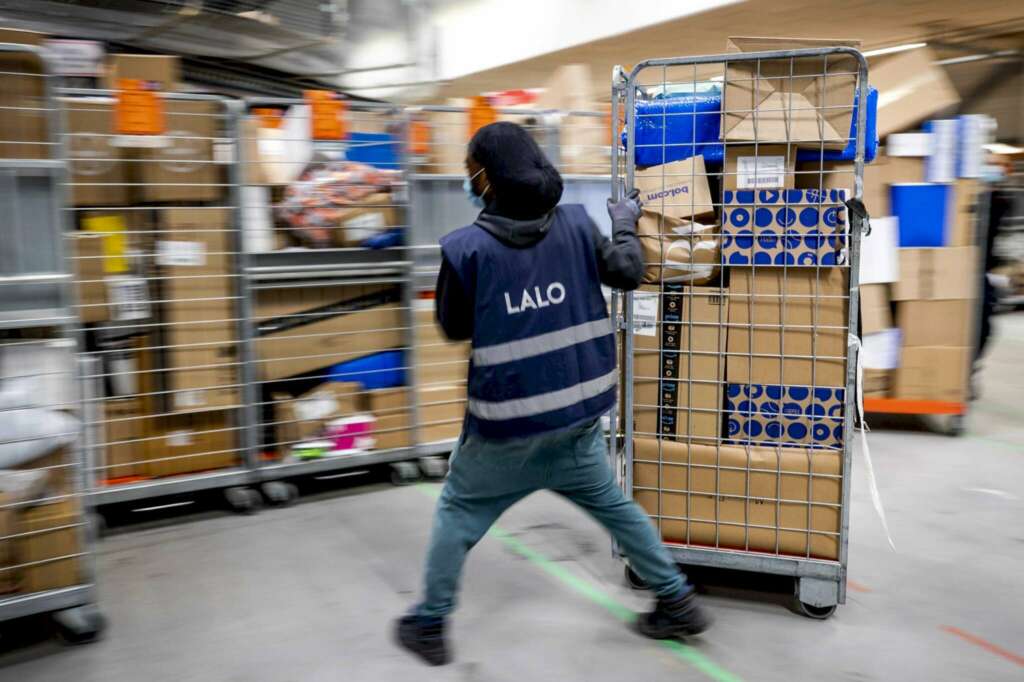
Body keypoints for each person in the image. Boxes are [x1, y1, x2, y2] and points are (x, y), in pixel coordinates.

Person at [394, 122, 709, 667]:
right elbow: (630, 272)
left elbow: (452, 326)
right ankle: (676, 599)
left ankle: (429, 623)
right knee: (613, 505)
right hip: (578, 419)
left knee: (458, 512)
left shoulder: (466, 250)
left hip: (505, 432)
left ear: (486, 180)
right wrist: (626, 223)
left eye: (472, 170)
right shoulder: (577, 226)